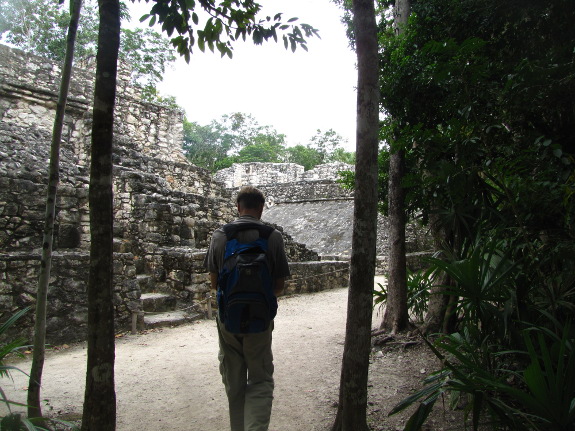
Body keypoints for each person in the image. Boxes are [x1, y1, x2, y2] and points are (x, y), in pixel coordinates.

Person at [205, 186, 290, 431]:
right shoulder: (273, 237)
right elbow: (279, 285)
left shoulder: (220, 235)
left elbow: (213, 283)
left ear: (238, 207)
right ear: (261, 208)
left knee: (234, 381)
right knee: (261, 379)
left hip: (228, 319)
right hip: (260, 320)